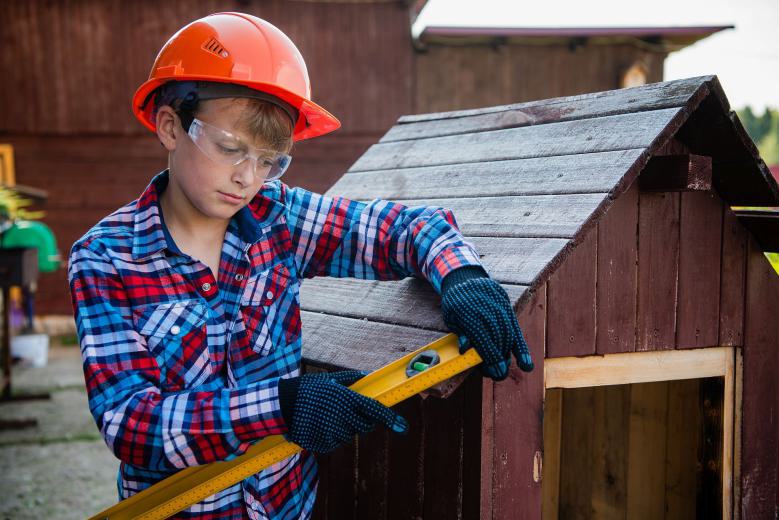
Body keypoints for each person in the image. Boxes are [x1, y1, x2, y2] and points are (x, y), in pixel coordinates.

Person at [67, 12, 533, 519]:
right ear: (170, 126)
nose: (248, 177)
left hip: (287, 507)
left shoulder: (279, 220)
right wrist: (282, 407)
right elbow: (131, 423)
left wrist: (462, 277)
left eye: (269, 160)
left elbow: (407, 228)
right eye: (230, 149)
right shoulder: (105, 258)